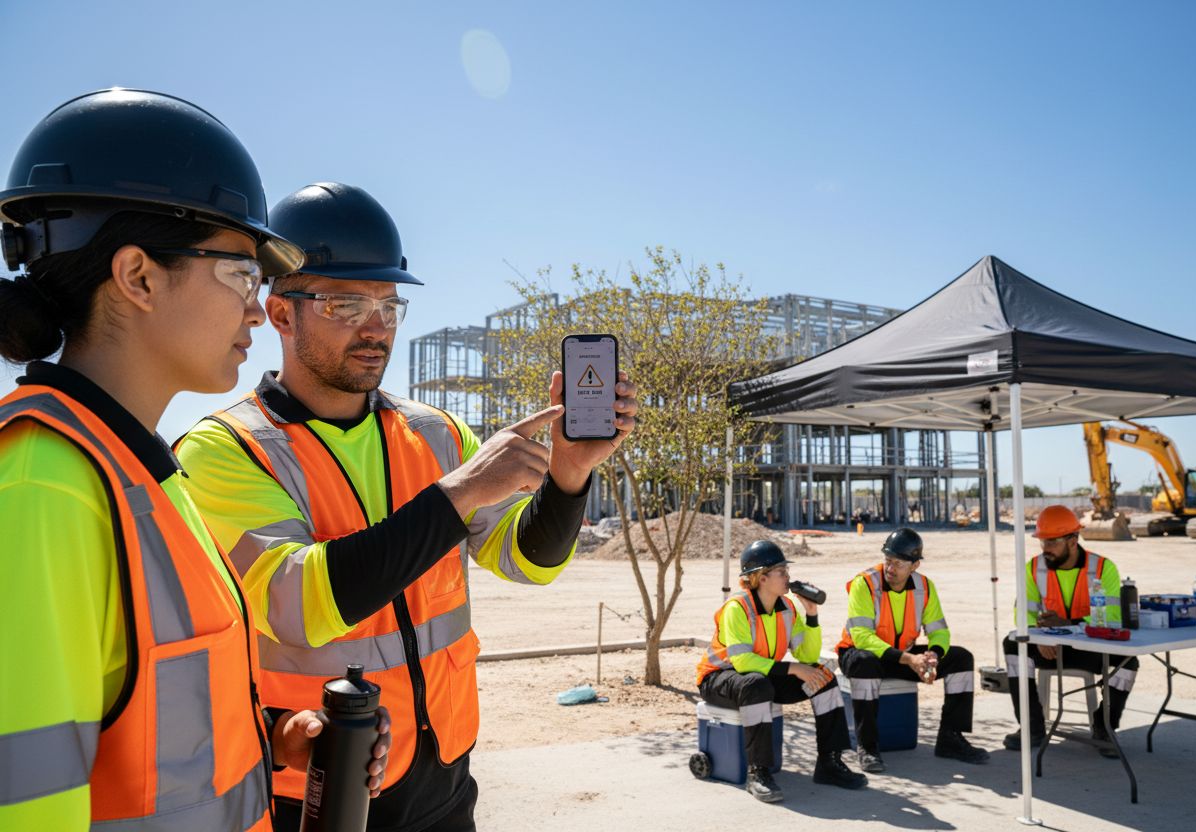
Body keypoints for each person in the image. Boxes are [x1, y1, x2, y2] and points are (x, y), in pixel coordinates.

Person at [175, 181, 638, 832]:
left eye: (389, 306)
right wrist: (458, 494)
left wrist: (568, 476)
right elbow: (298, 605)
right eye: (345, 303)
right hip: (318, 789)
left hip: (444, 772)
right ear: (280, 313)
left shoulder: (439, 434)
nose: (375, 328)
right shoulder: (225, 451)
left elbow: (527, 562)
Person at [0, 90, 389, 830]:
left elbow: (141, 720)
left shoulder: (140, 472)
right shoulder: (44, 489)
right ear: (139, 276)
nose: (256, 309)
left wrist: (277, 736)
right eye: (242, 273)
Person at [695, 540, 867, 803]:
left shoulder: (787, 607)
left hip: (759, 676)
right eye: (782, 572)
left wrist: (811, 615)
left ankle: (830, 763)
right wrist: (792, 669)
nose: (789, 577)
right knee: (756, 685)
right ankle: (758, 772)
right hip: (718, 678)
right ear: (762, 578)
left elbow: (807, 657)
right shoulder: (737, 608)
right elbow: (741, 662)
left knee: (823, 678)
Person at [836, 527, 989, 772]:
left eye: (898, 563)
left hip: (901, 655)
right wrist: (910, 659)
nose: (890, 568)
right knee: (864, 663)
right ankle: (868, 747)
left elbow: (939, 631)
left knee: (961, 658)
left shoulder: (925, 587)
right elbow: (862, 637)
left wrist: (932, 656)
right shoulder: (863, 583)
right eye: (888, 560)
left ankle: (950, 737)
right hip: (859, 653)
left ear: (915, 565)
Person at [1002, 505, 1137, 757]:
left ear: (1073, 540)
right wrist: (1037, 636)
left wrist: (1067, 625)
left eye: (1052, 542)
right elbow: (1023, 613)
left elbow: (1112, 618)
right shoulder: (1033, 568)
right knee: (1013, 645)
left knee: (1128, 661)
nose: (1046, 549)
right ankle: (1031, 727)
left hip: (1092, 648)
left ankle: (1105, 725)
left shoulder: (1103, 568)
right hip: (1050, 648)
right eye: (1043, 542)